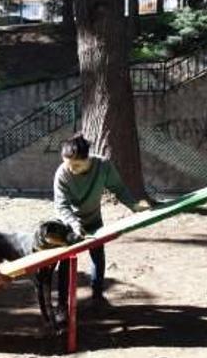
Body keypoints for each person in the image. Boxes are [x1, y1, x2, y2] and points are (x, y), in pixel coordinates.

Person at [53, 134, 149, 317]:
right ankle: (62, 304)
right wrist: (74, 224)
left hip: (94, 220)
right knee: (65, 260)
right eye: (67, 164)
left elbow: (119, 188)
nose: (71, 169)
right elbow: (61, 205)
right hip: (69, 224)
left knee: (98, 257)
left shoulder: (103, 166)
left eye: (76, 165)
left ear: (87, 158)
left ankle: (97, 297)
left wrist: (134, 206)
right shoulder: (62, 173)